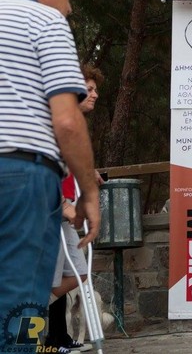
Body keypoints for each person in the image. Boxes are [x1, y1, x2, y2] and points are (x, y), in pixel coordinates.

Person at [0, 0, 100, 353]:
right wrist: (89, 193)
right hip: (22, 177)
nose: (69, 6)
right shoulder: (45, 20)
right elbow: (67, 121)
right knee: (24, 298)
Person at [46, 64, 105, 353]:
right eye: (90, 89)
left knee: (78, 273)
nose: (95, 94)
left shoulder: (76, 126)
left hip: (65, 215)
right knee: (49, 275)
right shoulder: (58, 123)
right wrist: (65, 205)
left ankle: (39, 316)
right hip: (51, 211)